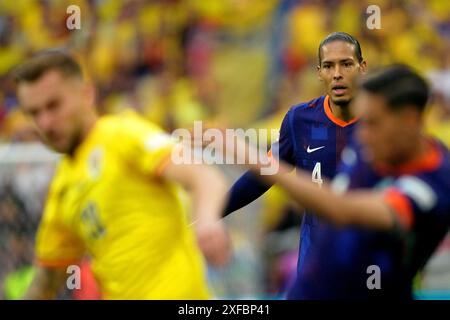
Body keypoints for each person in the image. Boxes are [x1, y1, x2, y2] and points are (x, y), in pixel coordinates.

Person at [13, 50, 231, 299]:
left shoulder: (122, 135)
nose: (45, 124)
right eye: (34, 113)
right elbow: (46, 281)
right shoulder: (62, 188)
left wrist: (206, 220)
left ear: (86, 94)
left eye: (54, 105)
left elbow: (204, 176)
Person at [231, 65, 450, 298]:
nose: (361, 134)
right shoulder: (374, 144)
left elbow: (342, 209)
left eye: (373, 123)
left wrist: (245, 154)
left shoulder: (432, 187)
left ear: (409, 119)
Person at [223, 32, 367, 298]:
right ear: (319, 73)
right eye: (328, 66)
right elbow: (265, 174)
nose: (337, 74)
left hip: (368, 263)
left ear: (362, 67)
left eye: (346, 64)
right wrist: (213, 211)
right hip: (315, 265)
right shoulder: (300, 120)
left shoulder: (378, 122)